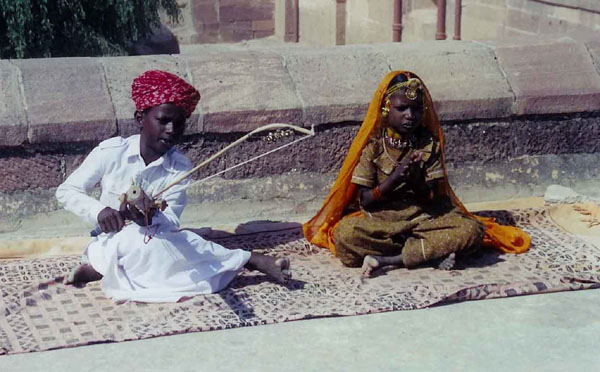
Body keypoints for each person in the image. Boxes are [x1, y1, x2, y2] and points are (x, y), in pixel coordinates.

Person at [57, 70, 291, 302]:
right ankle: (249, 259)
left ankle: (104, 269)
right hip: (109, 240)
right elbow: (67, 191)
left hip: (155, 238)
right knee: (160, 249)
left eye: (178, 124)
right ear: (140, 119)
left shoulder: (179, 166)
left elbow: (171, 220)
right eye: (163, 121)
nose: (171, 130)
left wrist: (149, 216)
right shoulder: (111, 152)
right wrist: (99, 212)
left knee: (175, 243)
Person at [303, 71, 530, 277]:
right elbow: (365, 200)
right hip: (381, 222)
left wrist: (416, 181)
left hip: (422, 219)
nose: (410, 115)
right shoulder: (373, 147)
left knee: (471, 231)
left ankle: (388, 260)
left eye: (416, 109)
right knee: (345, 235)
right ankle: (427, 252)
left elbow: (432, 199)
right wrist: (395, 179)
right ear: (386, 109)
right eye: (402, 108)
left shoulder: (427, 144)